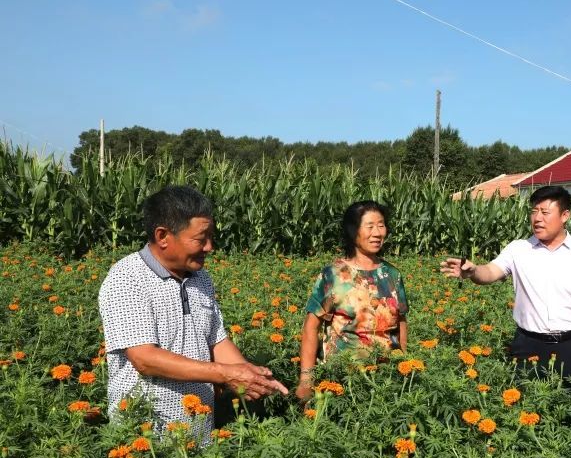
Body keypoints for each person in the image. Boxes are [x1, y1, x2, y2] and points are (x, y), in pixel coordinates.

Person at [99, 186, 287, 434]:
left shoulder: (201, 278)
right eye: (200, 239)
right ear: (163, 236)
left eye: (211, 237)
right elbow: (144, 359)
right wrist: (224, 374)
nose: (209, 247)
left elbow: (216, 341)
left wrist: (252, 377)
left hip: (198, 430)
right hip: (146, 434)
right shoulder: (127, 278)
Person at [440, 185, 571, 382]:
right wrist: (474, 271)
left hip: (570, 346)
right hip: (527, 345)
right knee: (524, 407)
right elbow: (491, 271)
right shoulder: (518, 249)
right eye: (534, 211)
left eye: (545, 212)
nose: (537, 218)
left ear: (565, 216)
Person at [296, 201, 408, 399]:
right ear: (352, 230)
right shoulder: (334, 275)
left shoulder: (392, 274)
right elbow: (311, 327)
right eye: (370, 226)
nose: (377, 233)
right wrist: (306, 380)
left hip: (385, 381)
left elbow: (400, 324)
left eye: (381, 225)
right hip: (341, 380)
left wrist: (405, 367)